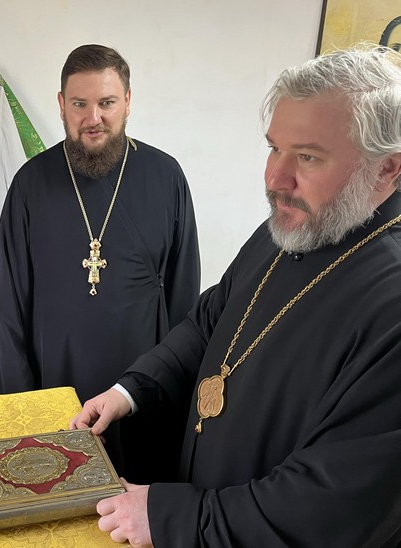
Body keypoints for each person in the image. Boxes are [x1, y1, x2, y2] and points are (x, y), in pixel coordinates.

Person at [70, 45, 401, 547]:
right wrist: (131, 390)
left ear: (386, 170)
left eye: (308, 157)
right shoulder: (293, 226)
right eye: (274, 148)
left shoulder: (390, 299)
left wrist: (172, 518)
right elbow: (209, 320)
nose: (275, 179)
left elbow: (334, 504)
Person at [0, 44, 200, 483]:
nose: (93, 118)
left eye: (106, 103)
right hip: (55, 387)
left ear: (128, 101)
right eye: (79, 104)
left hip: (141, 388)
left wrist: (173, 385)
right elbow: (8, 304)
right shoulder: (30, 184)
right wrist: (23, 405)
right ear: (61, 104)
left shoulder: (166, 177)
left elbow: (185, 301)